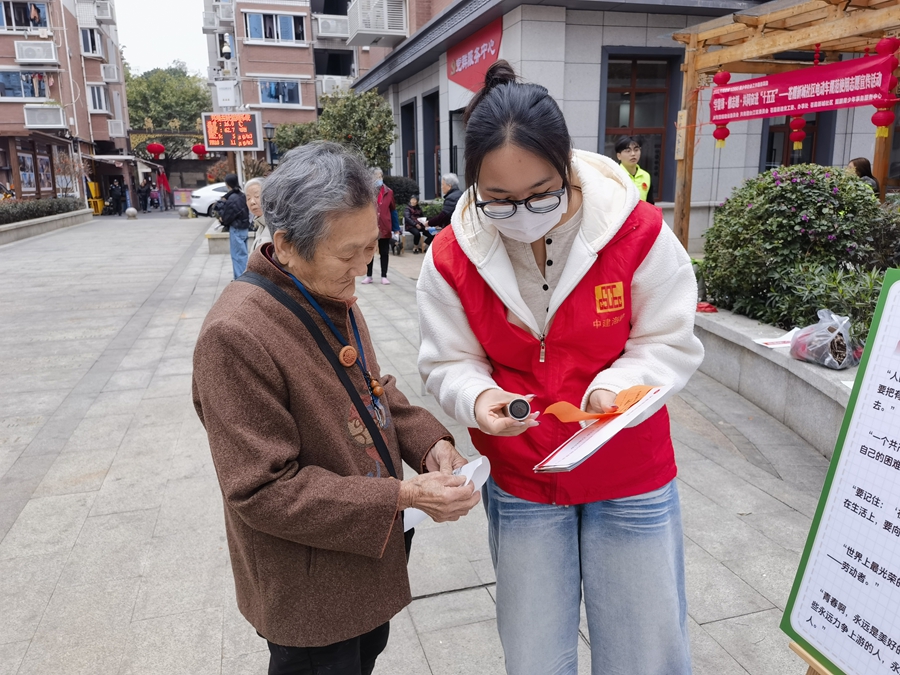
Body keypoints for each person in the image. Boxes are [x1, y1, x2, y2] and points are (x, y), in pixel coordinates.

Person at [417, 61, 704, 675]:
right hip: (523, 472)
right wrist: (476, 398)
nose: (523, 213)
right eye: (498, 200)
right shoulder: (451, 255)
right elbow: (448, 358)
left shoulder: (636, 232)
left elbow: (669, 339)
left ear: (568, 168)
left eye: (542, 192)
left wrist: (614, 391)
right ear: (472, 187)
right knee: (534, 652)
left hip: (628, 467)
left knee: (643, 651)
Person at [192, 141, 480, 675]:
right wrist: (401, 494)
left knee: (365, 656)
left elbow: (373, 388)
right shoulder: (236, 334)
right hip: (309, 586)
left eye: (371, 246)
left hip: (362, 564)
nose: (364, 266)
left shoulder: (327, 291)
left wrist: (430, 443)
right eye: (348, 255)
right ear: (286, 245)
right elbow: (262, 490)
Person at [362, 167, 398, 286]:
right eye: (376, 177)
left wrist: (396, 228)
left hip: (384, 226)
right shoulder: (367, 192)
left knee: (384, 251)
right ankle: (369, 275)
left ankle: (384, 275)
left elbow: (393, 211)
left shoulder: (389, 192)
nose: (378, 179)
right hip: (370, 227)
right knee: (369, 251)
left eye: (380, 176)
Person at [221, 173, 251, 279]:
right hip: (244, 228)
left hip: (236, 229)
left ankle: (241, 280)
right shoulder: (242, 195)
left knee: (237, 257)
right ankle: (244, 278)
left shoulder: (232, 198)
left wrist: (223, 220)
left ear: (228, 184)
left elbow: (227, 217)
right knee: (243, 255)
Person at [614, 135, 654, 204]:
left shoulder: (646, 176)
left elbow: (650, 203)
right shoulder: (614, 175)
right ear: (619, 156)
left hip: (641, 214)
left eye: (636, 150)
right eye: (628, 151)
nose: (633, 154)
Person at [245, 176, 272, 253]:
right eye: (248, 198)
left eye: (257, 196)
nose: (252, 202)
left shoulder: (276, 227)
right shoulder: (260, 226)